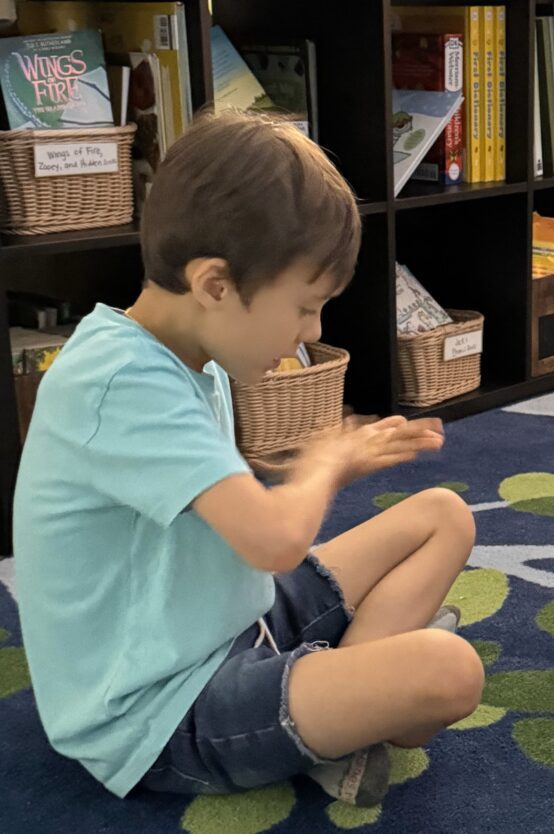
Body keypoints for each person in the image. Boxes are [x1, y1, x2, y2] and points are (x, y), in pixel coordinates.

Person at [12, 111, 484, 807]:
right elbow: (272, 541)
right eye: (303, 307)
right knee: (450, 672)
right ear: (215, 285)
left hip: (228, 621)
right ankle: (343, 709)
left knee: (445, 517)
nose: (312, 332)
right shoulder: (118, 383)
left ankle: (336, 714)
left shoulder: (186, 354)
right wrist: (324, 463)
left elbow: (223, 508)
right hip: (160, 712)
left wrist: (340, 463)